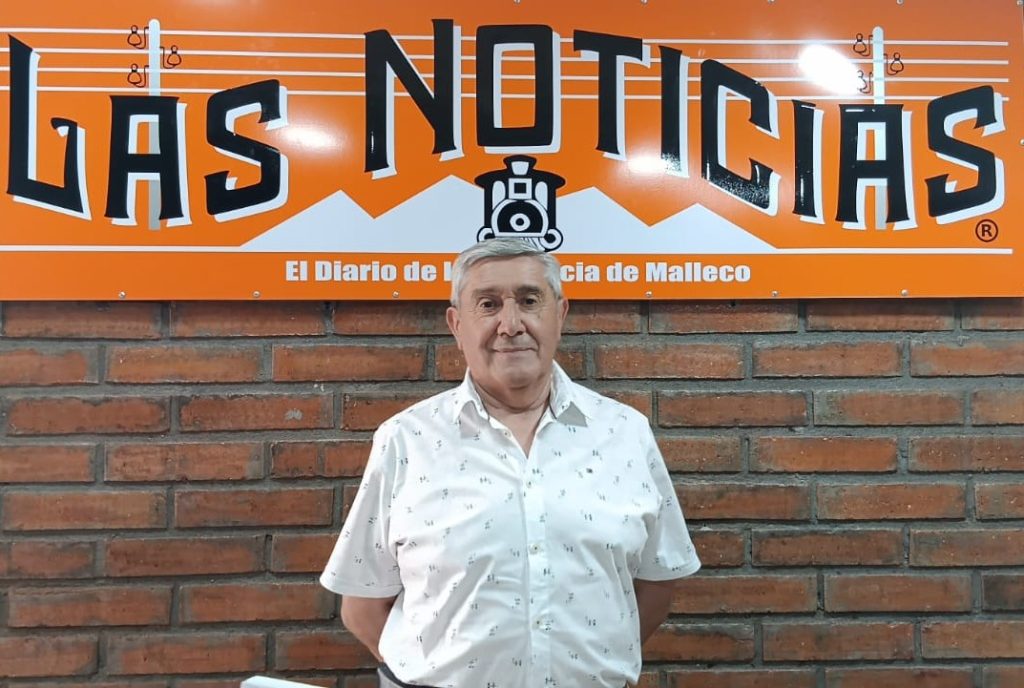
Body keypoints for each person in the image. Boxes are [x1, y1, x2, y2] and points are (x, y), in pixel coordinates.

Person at [320, 238, 701, 688]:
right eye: (488, 304)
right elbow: (363, 603)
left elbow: (657, 581)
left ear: (559, 315)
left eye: (529, 300)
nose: (511, 324)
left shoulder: (625, 433)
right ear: (456, 324)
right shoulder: (406, 439)